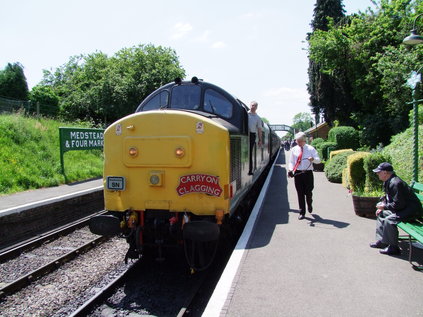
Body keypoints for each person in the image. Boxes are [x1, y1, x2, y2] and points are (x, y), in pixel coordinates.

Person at [370, 162, 423, 255]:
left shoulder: (395, 183)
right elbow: (389, 198)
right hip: (404, 209)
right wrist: (383, 207)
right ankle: (382, 241)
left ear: (385, 173)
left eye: (379, 172)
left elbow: (398, 204)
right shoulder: (388, 181)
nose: (377, 174)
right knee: (381, 214)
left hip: (412, 211)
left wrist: (384, 207)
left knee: (389, 220)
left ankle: (394, 247)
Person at [288, 132, 320, 220]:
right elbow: (291, 161)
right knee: (300, 193)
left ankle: (309, 202)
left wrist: (313, 159)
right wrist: (290, 169)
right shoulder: (294, 149)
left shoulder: (311, 149)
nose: (297, 143)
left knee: (308, 192)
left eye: (299, 141)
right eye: (297, 141)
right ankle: (302, 212)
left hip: (308, 173)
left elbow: (318, 160)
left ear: (304, 140)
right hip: (298, 173)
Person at [248, 101, 262, 175]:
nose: (253, 107)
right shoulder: (245, 114)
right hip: (244, 133)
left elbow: (259, 129)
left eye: (254, 106)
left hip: (252, 135)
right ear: (250, 105)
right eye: (252, 105)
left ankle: (250, 170)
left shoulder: (258, 118)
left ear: (256, 107)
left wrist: (260, 140)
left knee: (250, 152)